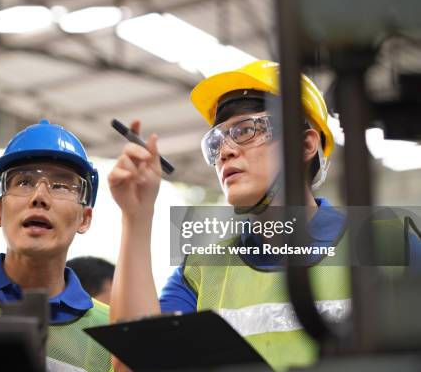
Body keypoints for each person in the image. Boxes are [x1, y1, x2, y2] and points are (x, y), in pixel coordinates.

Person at [107, 60, 421, 371]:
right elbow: (137, 366)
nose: (225, 152)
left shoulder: (391, 247)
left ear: (305, 144)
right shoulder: (202, 271)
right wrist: (136, 216)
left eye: (244, 130)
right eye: (216, 142)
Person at [0, 119, 112, 372]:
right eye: (24, 182)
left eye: (61, 185)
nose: (39, 197)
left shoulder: (109, 333)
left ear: (84, 218)